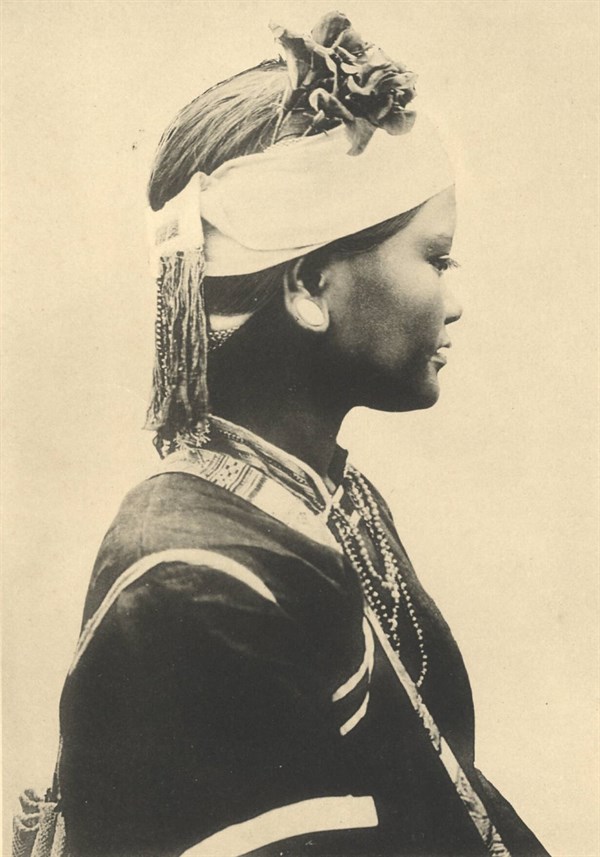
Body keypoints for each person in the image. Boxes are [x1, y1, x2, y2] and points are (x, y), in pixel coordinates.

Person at [53, 12, 549, 857]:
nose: (455, 301)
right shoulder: (191, 584)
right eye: (436, 259)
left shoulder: (331, 504)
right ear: (310, 283)